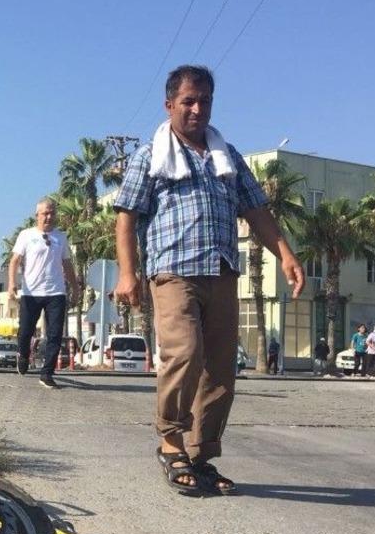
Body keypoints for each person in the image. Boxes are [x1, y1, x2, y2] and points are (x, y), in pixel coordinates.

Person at [113, 65, 305, 497]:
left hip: (221, 270)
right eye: (188, 101)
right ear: (170, 105)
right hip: (174, 271)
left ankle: (200, 456)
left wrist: (287, 255)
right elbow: (126, 218)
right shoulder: (150, 156)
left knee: (221, 368)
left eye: (205, 101)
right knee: (185, 353)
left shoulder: (227, 155)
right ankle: (170, 441)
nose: (198, 109)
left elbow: (256, 211)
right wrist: (128, 273)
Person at [8, 197, 78, 389]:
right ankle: (23, 355)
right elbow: (15, 261)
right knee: (25, 332)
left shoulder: (61, 237)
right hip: (31, 293)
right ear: (37, 216)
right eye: (45, 213)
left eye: (52, 213)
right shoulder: (26, 235)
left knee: (55, 334)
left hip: (56, 292)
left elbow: (67, 264)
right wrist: (12, 284)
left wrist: (76, 287)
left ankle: (46, 373)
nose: (49, 216)